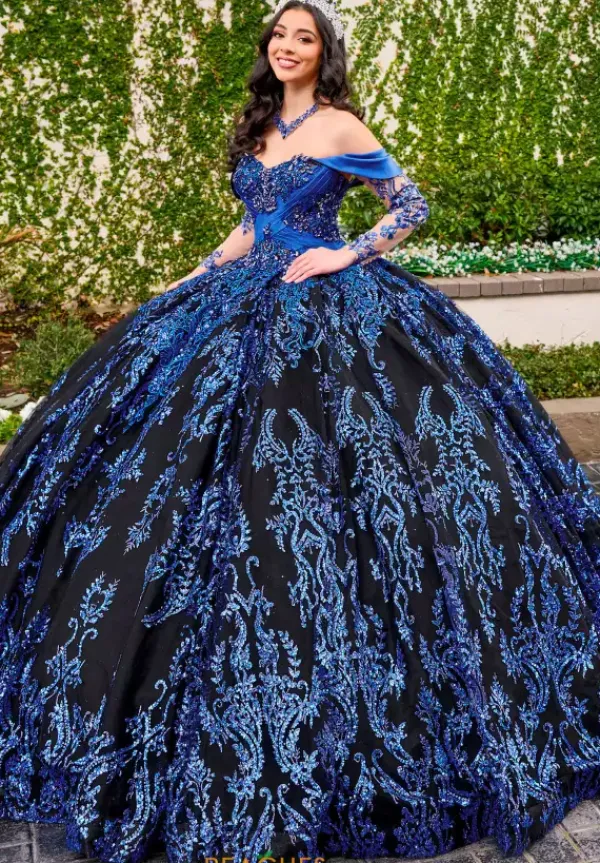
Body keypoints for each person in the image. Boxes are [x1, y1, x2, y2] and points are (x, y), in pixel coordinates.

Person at [1, 1, 600, 862]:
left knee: (335, 476)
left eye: (304, 37)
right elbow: (253, 226)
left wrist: (347, 253)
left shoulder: (340, 124)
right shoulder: (259, 124)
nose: (287, 47)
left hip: (325, 311)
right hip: (238, 297)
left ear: (325, 52)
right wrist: (191, 275)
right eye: (279, 35)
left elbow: (410, 202)